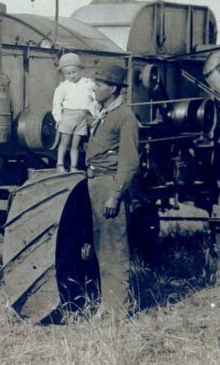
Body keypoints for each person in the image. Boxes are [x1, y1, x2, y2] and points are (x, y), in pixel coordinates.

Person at [86, 63, 140, 318]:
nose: (94, 87)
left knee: (114, 247)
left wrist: (115, 194)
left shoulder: (125, 116)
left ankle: (119, 310)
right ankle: (107, 306)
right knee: (102, 246)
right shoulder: (105, 113)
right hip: (96, 182)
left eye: (99, 83)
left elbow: (129, 161)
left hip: (109, 184)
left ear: (114, 88)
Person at [52, 53, 96, 173]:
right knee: (64, 142)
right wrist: (58, 119)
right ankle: (60, 164)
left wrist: (95, 113)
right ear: (64, 74)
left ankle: (73, 166)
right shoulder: (63, 87)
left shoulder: (88, 84)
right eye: (68, 73)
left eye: (74, 72)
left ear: (80, 70)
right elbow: (56, 104)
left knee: (75, 145)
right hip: (68, 116)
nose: (71, 75)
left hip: (82, 117)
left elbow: (94, 99)